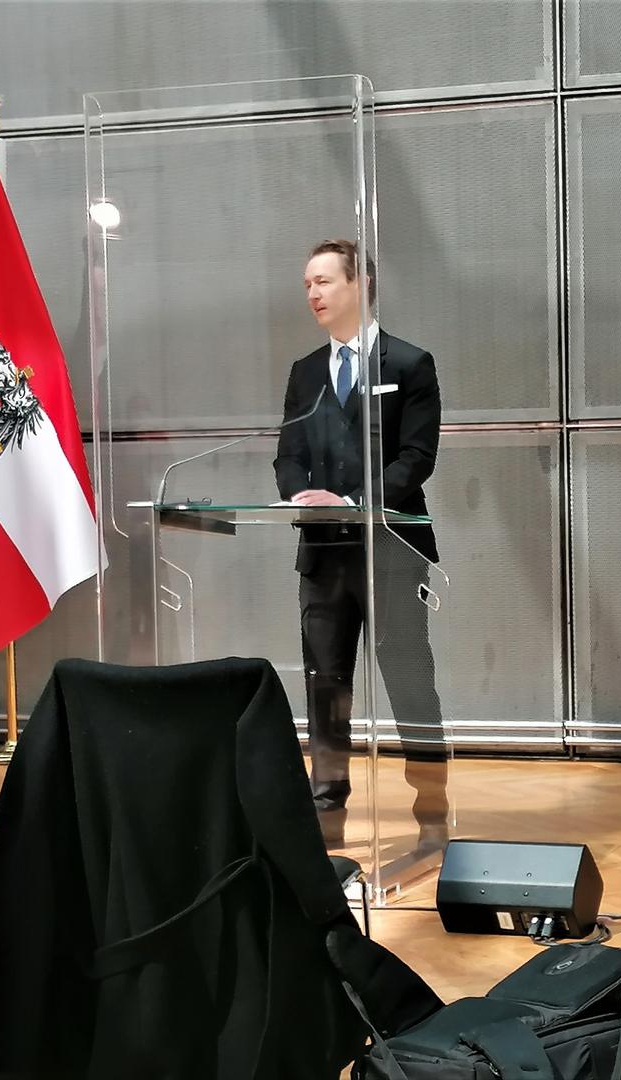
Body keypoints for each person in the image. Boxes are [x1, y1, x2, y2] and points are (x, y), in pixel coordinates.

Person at [274, 239, 449, 852]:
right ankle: (327, 819)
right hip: (323, 555)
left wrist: (353, 500)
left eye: (323, 281)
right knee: (325, 687)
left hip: (392, 549)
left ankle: (432, 815)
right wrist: (299, 495)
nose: (313, 294)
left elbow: (416, 458)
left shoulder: (410, 364)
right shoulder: (304, 373)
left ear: (361, 284)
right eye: (307, 284)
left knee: (410, 682)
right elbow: (288, 455)